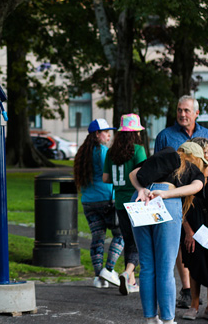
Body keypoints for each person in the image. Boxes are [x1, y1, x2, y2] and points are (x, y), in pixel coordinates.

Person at [129, 142, 207, 324]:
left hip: (141, 198)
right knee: (165, 267)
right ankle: (167, 319)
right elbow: (196, 186)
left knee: (147, 266)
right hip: (166, 201)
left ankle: (150, 318)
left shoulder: (160, 158)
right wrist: (166, 195)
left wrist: (141, 189)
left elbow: (133, 173)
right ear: (194, 156)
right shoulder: (190, 166)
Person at [153, 95, 208, 308]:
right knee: (181, 242)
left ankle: (205, 293)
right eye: (180, 110)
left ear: (196, 113)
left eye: (187, 111)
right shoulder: (165, 136)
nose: (182, 114)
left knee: (203, 244)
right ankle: (187, 289)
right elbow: (157, 168)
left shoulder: (207, 134)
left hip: (202, 198)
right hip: (175, 196)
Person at [74, 119, 124, 288]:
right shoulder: (103, 151)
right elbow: (110, 175)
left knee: (97, 237)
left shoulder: (82, 153)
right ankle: (109, 270)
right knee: (120, 234)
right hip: (105, 200)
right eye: (106, 131)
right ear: (97, 134)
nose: (109, 135)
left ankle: (98, 277)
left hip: (88, 202)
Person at [180, 138, 208, 321]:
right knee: (194, 264)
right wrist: (188, 231)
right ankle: (194, 306)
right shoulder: (189, 171)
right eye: (206, 152)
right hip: (192, 224)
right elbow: (181, 204)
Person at [103, 113, 146, 295]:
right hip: (136, 200)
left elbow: (105, 178)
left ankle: (131, 281)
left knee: (128, 240)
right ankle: (128, 272)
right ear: (135, 132)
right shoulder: (138, 150)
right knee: (138, 242)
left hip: (120, 202)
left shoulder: (111, 153)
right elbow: (143, 174)